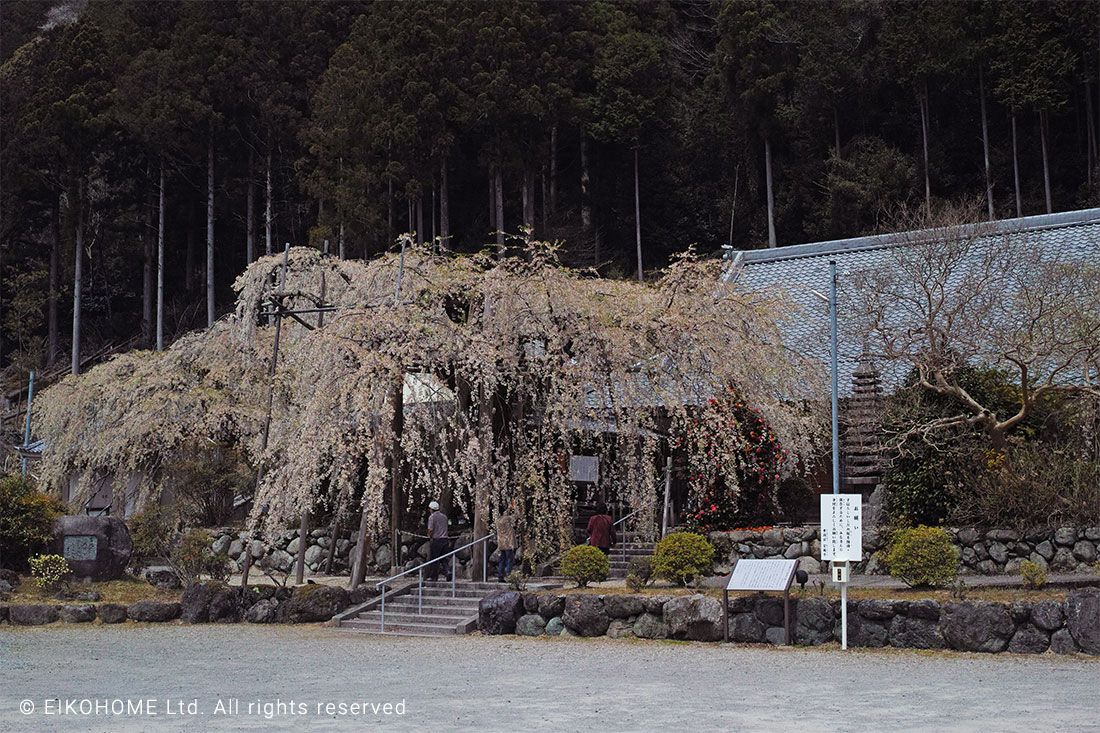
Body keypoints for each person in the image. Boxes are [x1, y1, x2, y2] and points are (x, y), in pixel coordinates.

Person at [427, 500, 451, 581]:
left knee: (434, 559)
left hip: (437, 540)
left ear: (431, 509)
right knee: (444, 558)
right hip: (445, 540)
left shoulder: (432, 517)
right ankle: (448, 571)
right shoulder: (444, 517)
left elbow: (430, 530)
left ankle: (433, 576)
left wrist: (430, 536)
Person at [495, 505, 517, 582]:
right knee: (510, 559)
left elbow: (506, 515)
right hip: (508, 543)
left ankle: (500, 577)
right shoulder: (507, 519)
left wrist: (508, 508)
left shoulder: (497, 520)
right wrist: (513, 507)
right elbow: (516, 515)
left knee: (502, 560)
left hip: (501, 543)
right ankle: (509, 576)